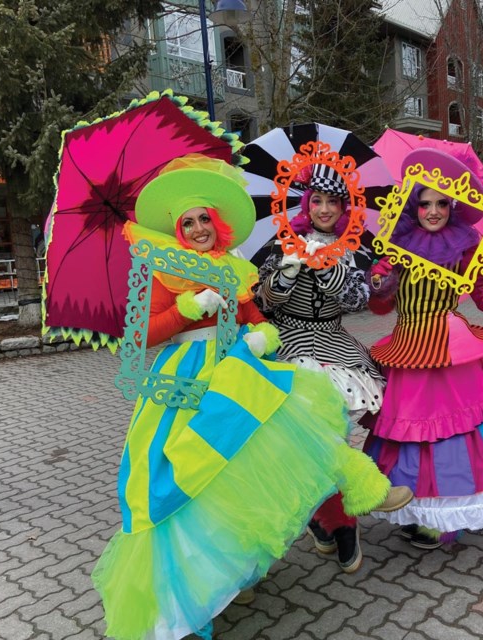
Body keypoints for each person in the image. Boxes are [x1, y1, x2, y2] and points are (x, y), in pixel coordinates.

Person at [90, 156, 413, 640]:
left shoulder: (232, 267)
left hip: (237, 366)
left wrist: (260, 334)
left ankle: (255, 556)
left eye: (205, 219)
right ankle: (200, 584)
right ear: (176, 228)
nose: (199, 228)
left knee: (279, 434)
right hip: (184, 380)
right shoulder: (159, 270)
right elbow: (138, 337)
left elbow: (254, 315)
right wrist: (187, 308)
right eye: (189, 221)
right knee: (190, 477)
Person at [363, 149, 483, 551]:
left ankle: (450, 514)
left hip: (451, 349)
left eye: (441, 203)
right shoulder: (395, 246)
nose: (433, 211)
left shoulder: (467, 248)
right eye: (425, 203)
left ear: (454, 205)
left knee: (454, 432)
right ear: (413, 206)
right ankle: (415, 508)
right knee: (410, 433)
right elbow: (379, 307)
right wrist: (379, 285)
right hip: (407, 347)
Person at [255, 162, 386, 574]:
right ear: (306, 204)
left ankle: (343, 522)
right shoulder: (281, 243)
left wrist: (327, 267)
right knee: (299, 442)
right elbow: (263, 302)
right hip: (287, 344)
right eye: (318, 200)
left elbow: (356, 301)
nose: (325, 209)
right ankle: (320, 516)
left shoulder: (354, 247)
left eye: (333, 201)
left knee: (333, 436)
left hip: (335, 346)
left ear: (343, 206)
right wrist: (289, 268)